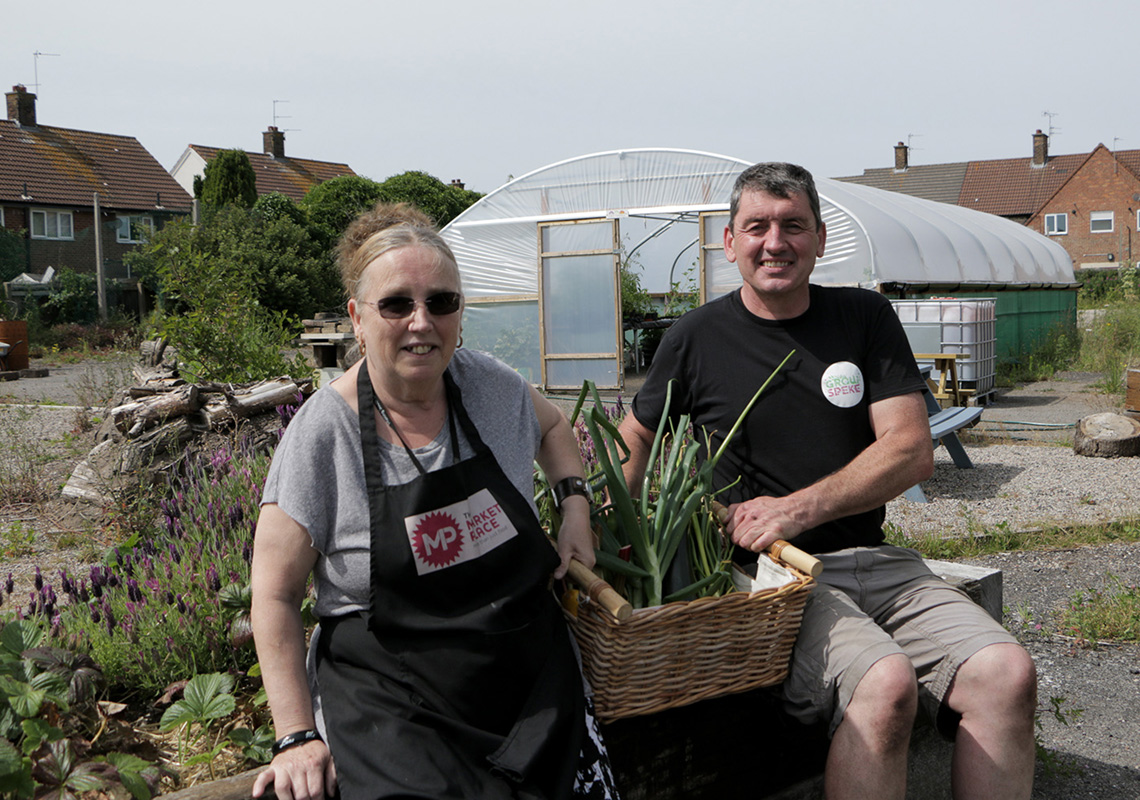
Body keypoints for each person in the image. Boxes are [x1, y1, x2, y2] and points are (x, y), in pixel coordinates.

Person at [617, 163, 1037, 799]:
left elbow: (911, 450)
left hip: (883, 564)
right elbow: (635, 440)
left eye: (793, 226)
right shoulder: (695, 337)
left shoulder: (863, 317)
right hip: (778, 579)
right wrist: (599, 527)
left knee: (1007, 672)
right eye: (756, 227)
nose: (774, 242)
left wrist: (796, 508)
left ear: (819, 239)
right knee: (886, 684)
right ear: (730, 242)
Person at [250, 203, 619, 800]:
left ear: (460, 314)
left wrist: (575, 504)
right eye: (397, 304)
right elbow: (274, 592)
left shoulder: (491, 386)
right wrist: (295, 734)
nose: (421, 322)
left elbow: (555, 429)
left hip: (523, 676)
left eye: (441, 302)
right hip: (392, 699)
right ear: (357, 319)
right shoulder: (323, 434)